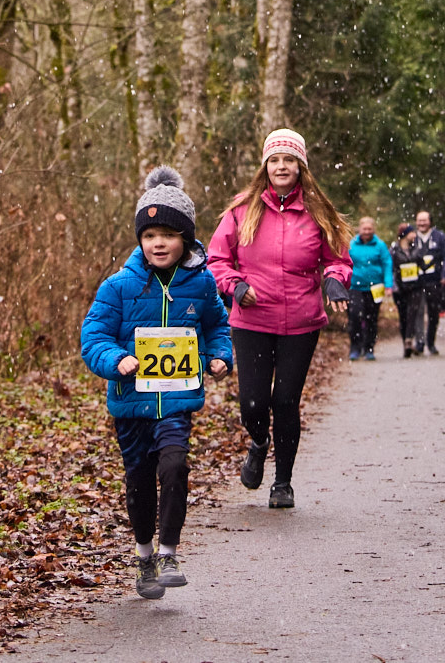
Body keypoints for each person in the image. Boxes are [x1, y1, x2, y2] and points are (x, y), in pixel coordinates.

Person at [80, 167, 233, 598]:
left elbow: (219, 328)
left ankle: (169, 552)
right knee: (140, 481)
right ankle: (144, 555)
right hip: (132, 404)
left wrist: (222, 357)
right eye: (149, 236)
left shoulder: (202, 285)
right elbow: (93, 337)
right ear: (140, 240)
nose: (158, 243)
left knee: (175, 466)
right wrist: (117, 359)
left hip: (178, 400)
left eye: (167, 234)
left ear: (185, 238)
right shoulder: (119, 287)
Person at [209, 128, 351, 509]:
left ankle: (283, 482)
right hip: (252, 318)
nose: (281, 166)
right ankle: (258, 442)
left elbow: (337, 260)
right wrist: (234, 285)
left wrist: (336, 282)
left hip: (301, 323)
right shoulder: (243, 209)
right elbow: (217, 259)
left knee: (285, 401)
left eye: (289, 159)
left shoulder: (319, 211)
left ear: (301, 166)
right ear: (265, 166)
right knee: (253, 405)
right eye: (275, 160)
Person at [346, 215, 396, 360]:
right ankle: (355, 347)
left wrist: (388, 285)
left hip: (375, 288)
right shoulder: (352, 244)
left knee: (371, 318)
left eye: (369, 229)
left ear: (373, 229)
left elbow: (387, 264)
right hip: (355, 286)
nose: (367, 231)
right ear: (359, 229)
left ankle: (369, 348)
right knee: (354, 316)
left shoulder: (380, 245)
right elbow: (344, 262)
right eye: (364, 229)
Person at [411, 210, 445, 356]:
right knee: (418, 312)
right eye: (419, 220)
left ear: (430, 221)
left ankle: (431, 342)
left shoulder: (439, 237)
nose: (421, 223)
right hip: (416, 282)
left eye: (424, 220)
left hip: (434, 280)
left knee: (433, 313)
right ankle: (420, 342)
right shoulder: (412, 237)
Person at [390, 222, 426, 357]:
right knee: (403, 315)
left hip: (415, 287)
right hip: (400, 288)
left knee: (413, 313)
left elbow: (423, 265)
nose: (415, 235)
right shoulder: (394, 250)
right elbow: (391, 268)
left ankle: (408, 341)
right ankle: (405, 339)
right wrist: (393, 285)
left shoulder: (417, 248)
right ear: (405, 234)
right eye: (412, 232)